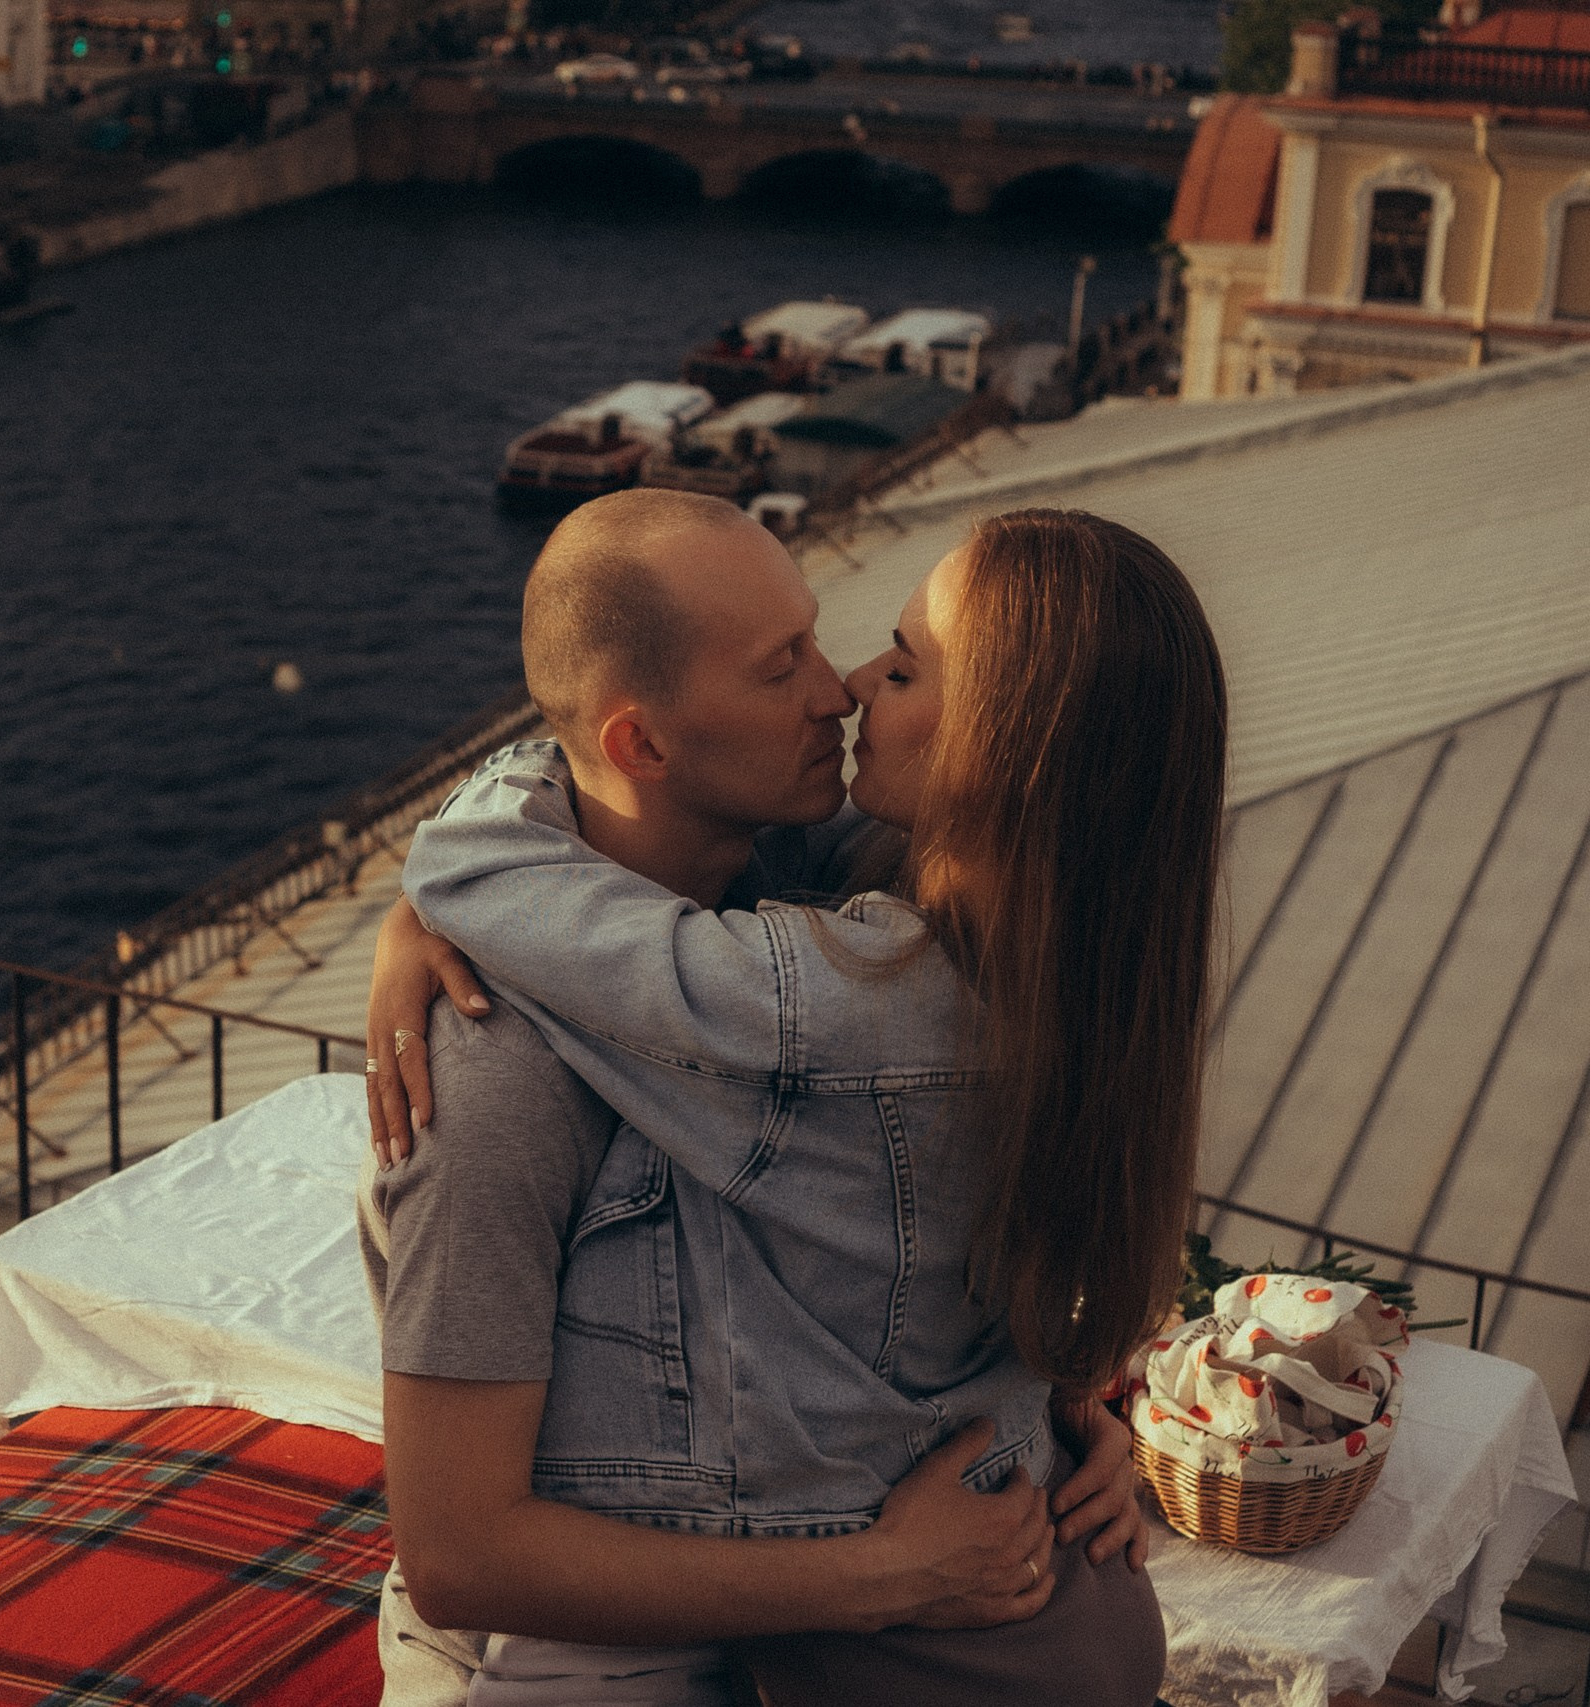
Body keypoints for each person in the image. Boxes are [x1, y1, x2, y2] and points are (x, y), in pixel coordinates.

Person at [362, 493, 1220, 1704]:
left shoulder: (837, 948)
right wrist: (897, 1562)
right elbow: (456, 1555)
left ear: (1004, 757)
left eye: (891, 662)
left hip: (838, 1628)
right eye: (786, 667)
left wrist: (1037, 1411)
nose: (843, 688)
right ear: (645, 744)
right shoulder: (499, 1065)